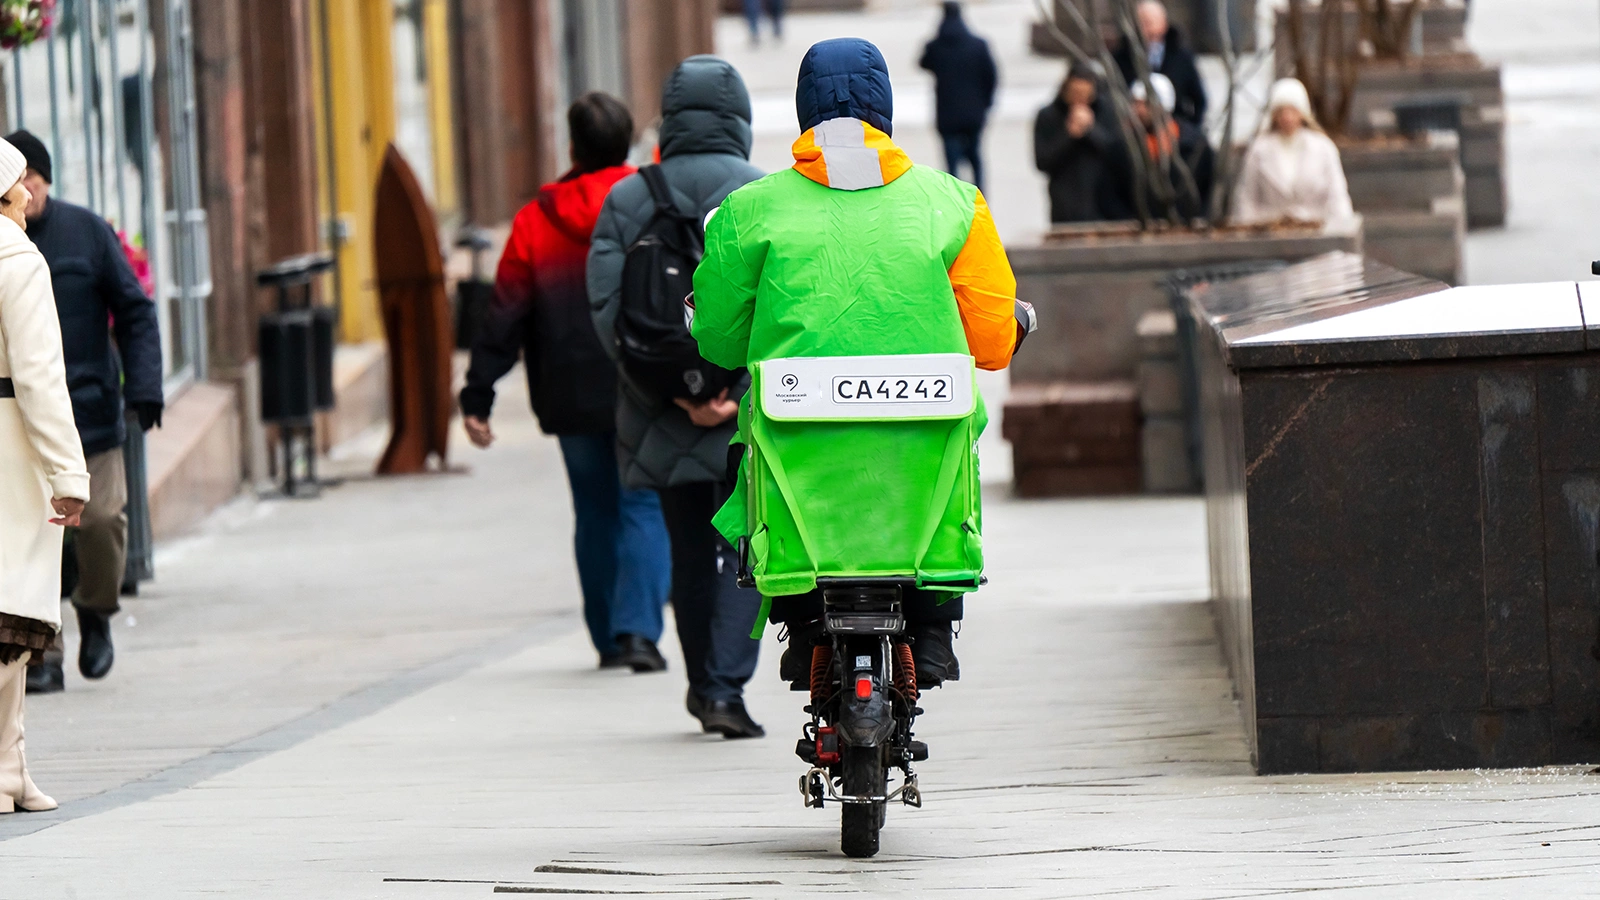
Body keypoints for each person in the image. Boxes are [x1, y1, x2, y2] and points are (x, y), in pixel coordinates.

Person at [689, 38, 1030, 689]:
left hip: (800, 451)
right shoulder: (954, 204)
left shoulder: (750, 212)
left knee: (758, 451)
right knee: (951, 450)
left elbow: (720, 343)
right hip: (919, 450)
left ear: (802, 112)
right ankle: (932, 627)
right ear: (886, 110)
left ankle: (796, 613)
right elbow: (991, 345)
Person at [459, 94, 673, 673]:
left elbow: (504, 311)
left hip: (567, 388)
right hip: (640, 382)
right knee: (643, 504)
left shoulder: (536, 220)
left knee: (594, 509)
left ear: (572, 148)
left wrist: (478, 393)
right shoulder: (651, 204)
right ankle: (640, 633)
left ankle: (606, 635)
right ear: (628, 142)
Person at [588, 56, 767, 739]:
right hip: (745, 416)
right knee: (749, 545)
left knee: (690, 551)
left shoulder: (628, 200)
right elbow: (784, 313)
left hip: (657, 412)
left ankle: (703, 683)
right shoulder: (762, 194)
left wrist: (672, 395)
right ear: (740, 121)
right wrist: (735, 390)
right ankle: (725, 684)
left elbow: (608, 313)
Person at [4, 131, 161, 695]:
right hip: (24, 425)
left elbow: (135, 311)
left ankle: (95, 610)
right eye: (17, 184)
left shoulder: (86, 233)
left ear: (46, 181)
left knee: (100, 523)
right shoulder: (9, 250)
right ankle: (43, 656)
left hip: (92, 413)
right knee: (38, 541)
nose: (26, 194)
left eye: (34, 183)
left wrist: (144, 388)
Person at [0, 135, 90, 812]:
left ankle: (10, 770)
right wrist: (69, 474)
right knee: (13, 614)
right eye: (20, 185)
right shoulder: (17, 260)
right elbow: (38, 377)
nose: (31, 197)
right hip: (11, 451)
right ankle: (4, 772)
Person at [1232, 78, 1354, 225]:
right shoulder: (1259, 150)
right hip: (1269, 234)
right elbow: (1246, 198)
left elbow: (1337, 195)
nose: (1287, 117)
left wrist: (1340, 230)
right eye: (1281, 111)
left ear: (1303, 112)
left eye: (1292, 110)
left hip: (1316, 231)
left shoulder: (1323, 148)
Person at [1104, 73, 1215, 222]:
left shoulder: (1195, 145)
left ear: (1164, 106)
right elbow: (1109, 196)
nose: (1139, 110)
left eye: (1146, 104)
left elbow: (1210, 190)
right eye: (1135, 103)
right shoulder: (1122, 147)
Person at [919, 1, 998, 193]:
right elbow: (992, 77)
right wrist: (986, 103)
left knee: (952, 165)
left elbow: (923, 63)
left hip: (948, 115)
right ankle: (981, 201)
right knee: (976, 158)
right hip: (974, 113)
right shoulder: (978, 45)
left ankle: (955, 204)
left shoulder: (936, 46)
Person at [1034, 65, 1119, 223]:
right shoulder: (1048, 116)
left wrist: (1090, 131)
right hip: (1065, 202)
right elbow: (1042, 161)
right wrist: (1069, 136)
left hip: (1102, 202)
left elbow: (1115, 153)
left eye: (1085, 95)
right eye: (1075, 93)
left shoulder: (1106, 112)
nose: (1079, 100)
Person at [1113, 0, 1207, 128]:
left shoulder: (1181, 56)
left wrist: (1191, 130)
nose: (1147, 28)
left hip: (1174, 128)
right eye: (1142, 23)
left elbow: (1199, 99)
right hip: (1135, 128)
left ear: (1164, 22)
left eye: (1150, 22)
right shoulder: (1122, 56)